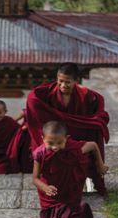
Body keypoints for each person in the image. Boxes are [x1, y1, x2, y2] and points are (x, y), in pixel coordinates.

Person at [32, 121, 108, 218]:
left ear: (66, 139)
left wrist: (100, 165)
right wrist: (45, 188)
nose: (55, 147)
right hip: (50, 198)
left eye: (59, 143)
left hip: (70, 195)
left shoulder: (74, 148)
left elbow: (93, 145)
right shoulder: (39, 154)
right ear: (42, 139)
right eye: (50, 143)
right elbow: (35, 178)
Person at [24, 64, 110, 195]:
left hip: (74, 136)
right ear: (57, 79)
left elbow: (99, 105)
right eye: (60, 81)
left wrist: (91, 121)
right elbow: (32, 99)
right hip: (56, 136)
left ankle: (79, 185)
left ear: (76, 81)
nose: (63, 85)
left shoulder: (85, 96)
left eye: (68, 82)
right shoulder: (48, 93)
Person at [0, 100, 31, 174]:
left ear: (5, 111)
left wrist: (24, 128)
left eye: (0, 113)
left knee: (4, 168)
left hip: (8, 149)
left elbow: (18, 131)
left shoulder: (9, 121)